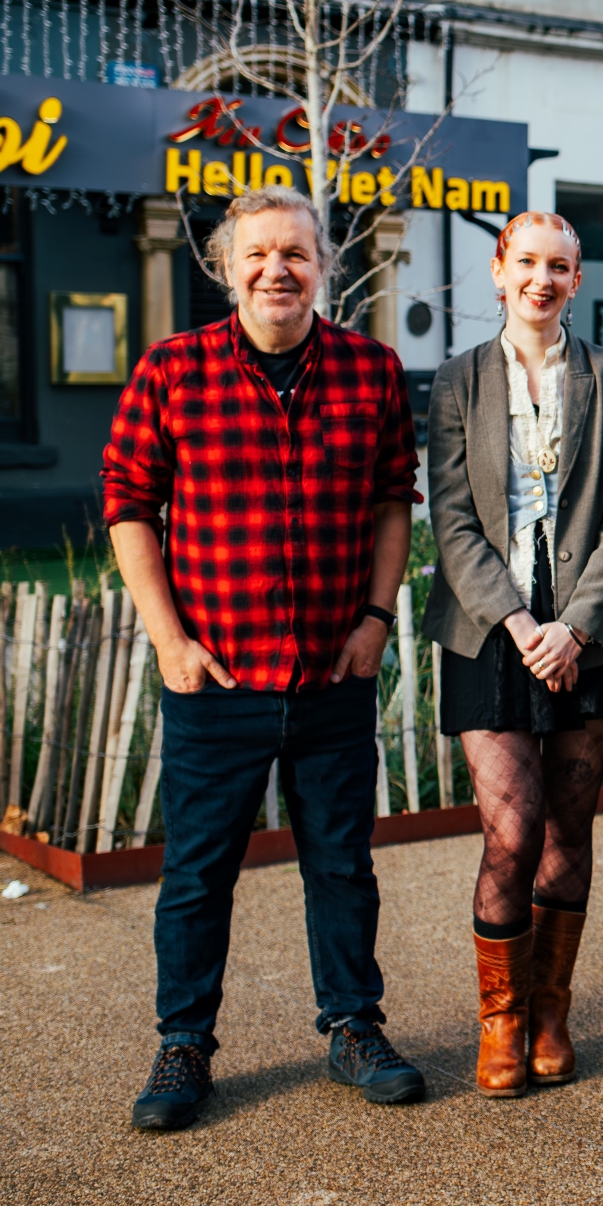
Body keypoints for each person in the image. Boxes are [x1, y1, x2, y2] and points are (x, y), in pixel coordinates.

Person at [102, 186, 427, 1131]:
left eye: (295, 252)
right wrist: (170, 641)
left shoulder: (370, 370)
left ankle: (354, 1027)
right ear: (226, 266)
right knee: (198, 874)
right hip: (218, 677)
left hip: (332, 675)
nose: (276, 269)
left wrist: (376, 620)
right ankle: (184, 1043)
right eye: (257, 253)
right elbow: (128, 504)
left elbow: (393, 500)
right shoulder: (173, 370)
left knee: (342, 865)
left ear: (322, 264)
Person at [422, 212, 603, 1097]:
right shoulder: (457, 380)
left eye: (559, 266)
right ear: (498, 269)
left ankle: (551, 1010)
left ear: (576, 279)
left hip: (593, 632)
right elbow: (452, 521)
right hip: (490, 629)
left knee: (568, 830)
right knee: (512, 832)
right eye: (526, 262)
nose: (541, 280)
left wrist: (575, 628)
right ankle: (501, 1018)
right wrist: (523, 626)